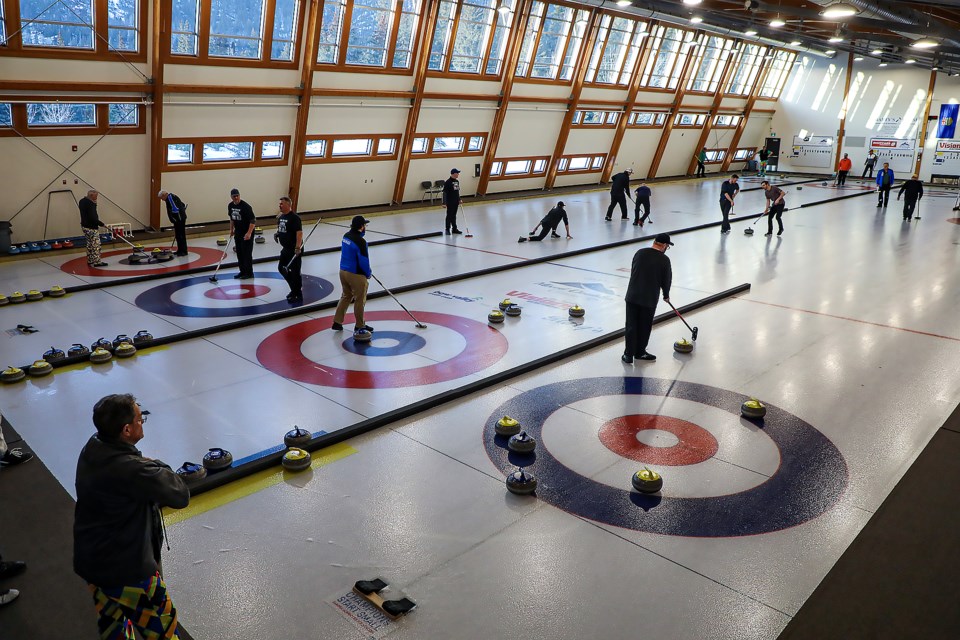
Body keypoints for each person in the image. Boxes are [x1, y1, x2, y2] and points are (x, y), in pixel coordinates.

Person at [74, 394, 190, 639]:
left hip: (93, 563)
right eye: (140, 419)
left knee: (114, 627)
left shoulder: (93, 447)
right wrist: (152, 463)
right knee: (163, 629)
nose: (142, 422)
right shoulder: (133, 469)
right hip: (129, 572)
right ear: (126, 429)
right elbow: (180, 494)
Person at [623, 233, 673, 364]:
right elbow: (666, 279)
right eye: (667, 246)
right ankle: (640, 352)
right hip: (649, 299)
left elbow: (635, 269)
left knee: (631, 325)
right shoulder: (664, 260)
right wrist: (666, 295)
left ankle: (628, 355)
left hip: (632, 296)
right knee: (645, 326)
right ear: (664, 245)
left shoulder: (639, 253)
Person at [332, 216, 373, 333]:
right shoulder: (361, 242)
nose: (365, 227)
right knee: (360, 299)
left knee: (346, 296)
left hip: (343, 272)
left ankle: (337, 322)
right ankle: (360, 325)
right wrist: (368, 273)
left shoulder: (346, 236)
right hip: (355, 274)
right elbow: (364, 260)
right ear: (361, 227)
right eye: (365, 225)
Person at [276, 196, 303, 303]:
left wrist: (297, 247)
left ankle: (298, 293)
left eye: (282, 204)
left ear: (288, 204)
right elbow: (283, 229)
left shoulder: (295, 218)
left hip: (293, 249)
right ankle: (293, 289)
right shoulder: (282, 217)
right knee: (281, 268)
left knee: (295, 272)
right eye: (280, 204)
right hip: (285, 248)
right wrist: (277, 234)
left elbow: (299, 233)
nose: (280, 206)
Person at [227, 188, 256, 278]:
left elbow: (253, 221)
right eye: (234, 196)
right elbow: (232, 219)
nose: (236, 198)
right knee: (239, 252)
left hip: (247, 232)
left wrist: (249, 233)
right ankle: (242, 271)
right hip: (238, 232)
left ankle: (249, 273)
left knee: (246, 253)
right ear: (231, 197)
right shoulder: (230, 206)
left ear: (239, 195)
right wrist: (231, 230)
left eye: (237, 196)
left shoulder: (246, 207)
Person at [78, 189, 108, 267]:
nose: (97, 198)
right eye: (96, 196)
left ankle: (90, 260)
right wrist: (101, 224)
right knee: (96, 245)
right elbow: (93, 217)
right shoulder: (91, 204)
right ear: (91, 195)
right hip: (92, 227)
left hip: (84, 226)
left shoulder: (81, 201)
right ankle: (97, 262)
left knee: (89, 244)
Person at [157, 190, 188, 256]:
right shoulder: (171, 197)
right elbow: (183, 205)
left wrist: (175, 219)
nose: (162, 200)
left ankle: (183, 251)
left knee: (180, 235)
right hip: (179, 219)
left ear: (164, 195)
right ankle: (180, 250)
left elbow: (175, 209)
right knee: (178, 235)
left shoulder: (170, 198)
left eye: (161, 198)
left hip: (179, 220)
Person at [441, 168, 462, 234]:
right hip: (450, 202)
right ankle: (447, 229)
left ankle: (454, 228)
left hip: (455, 201)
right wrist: (444, 203)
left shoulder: (456, 181)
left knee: (454, 215)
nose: (458, 174)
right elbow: (445, 192)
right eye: (457, 173)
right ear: (454, 173)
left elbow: (456, 192)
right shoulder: (448, 182)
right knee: (449, 215)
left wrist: (459, 199)